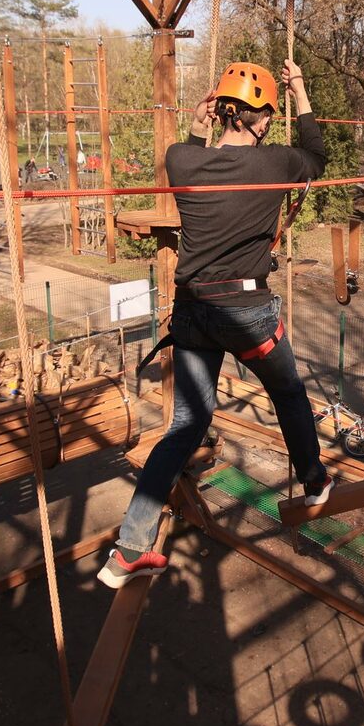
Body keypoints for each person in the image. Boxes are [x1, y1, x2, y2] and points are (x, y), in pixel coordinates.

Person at [100, 59, 332, 588]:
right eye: (270, 114)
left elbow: (189, 150)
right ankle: (315, 482)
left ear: (218, 111)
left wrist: (197, 127)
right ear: (263, 118)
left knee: (185, 427)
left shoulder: (182, 161)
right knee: (289, 395)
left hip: (194, 311)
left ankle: (128, 550)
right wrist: (299, 89)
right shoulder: (275, 164)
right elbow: (317, 156)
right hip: (245, 313)